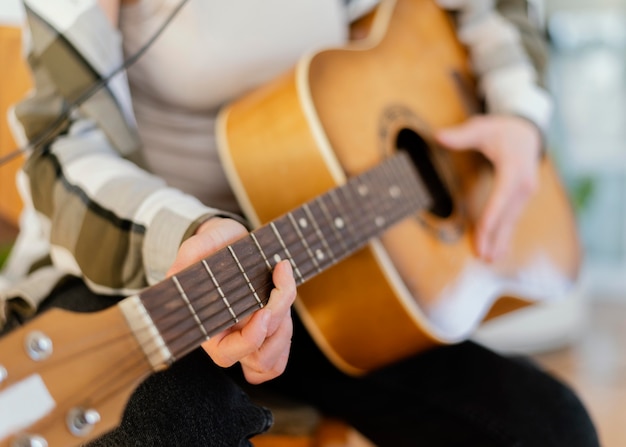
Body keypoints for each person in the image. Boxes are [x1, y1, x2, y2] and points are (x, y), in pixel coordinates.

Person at [0, 0, 600, 446]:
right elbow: (64, 154)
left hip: (333, 262)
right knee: (177, 430)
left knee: (550, 427)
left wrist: (520, 112)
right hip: (138, 273)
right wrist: (189, 233)